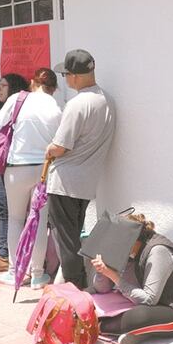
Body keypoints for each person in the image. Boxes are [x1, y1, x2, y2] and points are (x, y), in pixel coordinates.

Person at [45, 49, 116, 290]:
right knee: (74, 237)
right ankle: (78, 284)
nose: (64, 80)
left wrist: (49, 149)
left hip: (65, 181)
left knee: (66, 240)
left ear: (73, 76)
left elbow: (61, 146)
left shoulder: (77, 104)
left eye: (65, 75)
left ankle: (75, 290)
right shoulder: (106, 99)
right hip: (86, 183)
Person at [90, 213, 173, 344]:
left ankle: (104, 326)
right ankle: (142, 332)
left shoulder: (158, 250)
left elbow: (149, 300)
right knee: (92, 297)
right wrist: (102, 271)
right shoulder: (128, 252)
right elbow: (102, 289)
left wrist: (113, 275)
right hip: (149, 303)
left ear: (132, 240)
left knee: (138, 317)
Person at [0, 69, 62, 285]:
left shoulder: (18, 99)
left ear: (32, 82)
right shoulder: (56, 107)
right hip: (44, 169)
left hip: (16, 167)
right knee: (38, 221)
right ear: (53, 88)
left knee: (16, 219)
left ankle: (15, 270)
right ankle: (38, 274)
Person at [0, 72, 32, 273]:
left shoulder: (15, 108)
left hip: (15, 167)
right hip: (5, 166)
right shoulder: (3, 108)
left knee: (8, 211)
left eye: (3, 85)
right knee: (7, 211)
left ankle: (4, 255)